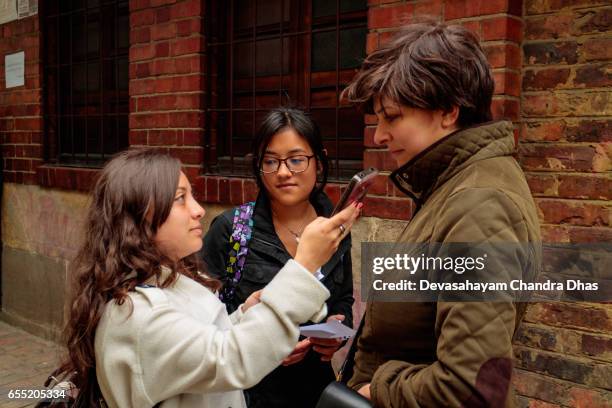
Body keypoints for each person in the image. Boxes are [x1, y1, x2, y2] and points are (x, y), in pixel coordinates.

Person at [55, 148, 360, 408]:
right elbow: (227, 357)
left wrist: (245, 314)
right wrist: (304, 264)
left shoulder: (170, 280)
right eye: (180, 199)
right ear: (138, 217)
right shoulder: (139, 313)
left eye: (296, 160)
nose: (198, 210)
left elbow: (202, 342)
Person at [342, 21, 541, 407]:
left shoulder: (480, 205)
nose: (379, 135)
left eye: (393, 116)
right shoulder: (451, 183)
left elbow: (471, 387)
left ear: (449, 110)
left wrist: (376, 391)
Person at [201, 108, 355, 408]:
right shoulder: (232, 230)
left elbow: (343, 300)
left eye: (296, 160)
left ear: (319, 162)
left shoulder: (334, 228)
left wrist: (337, 332)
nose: (283, 172)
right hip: (249, 393)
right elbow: (205, 318)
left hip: (315, 391)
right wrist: (264, 340)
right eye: (271, 162)